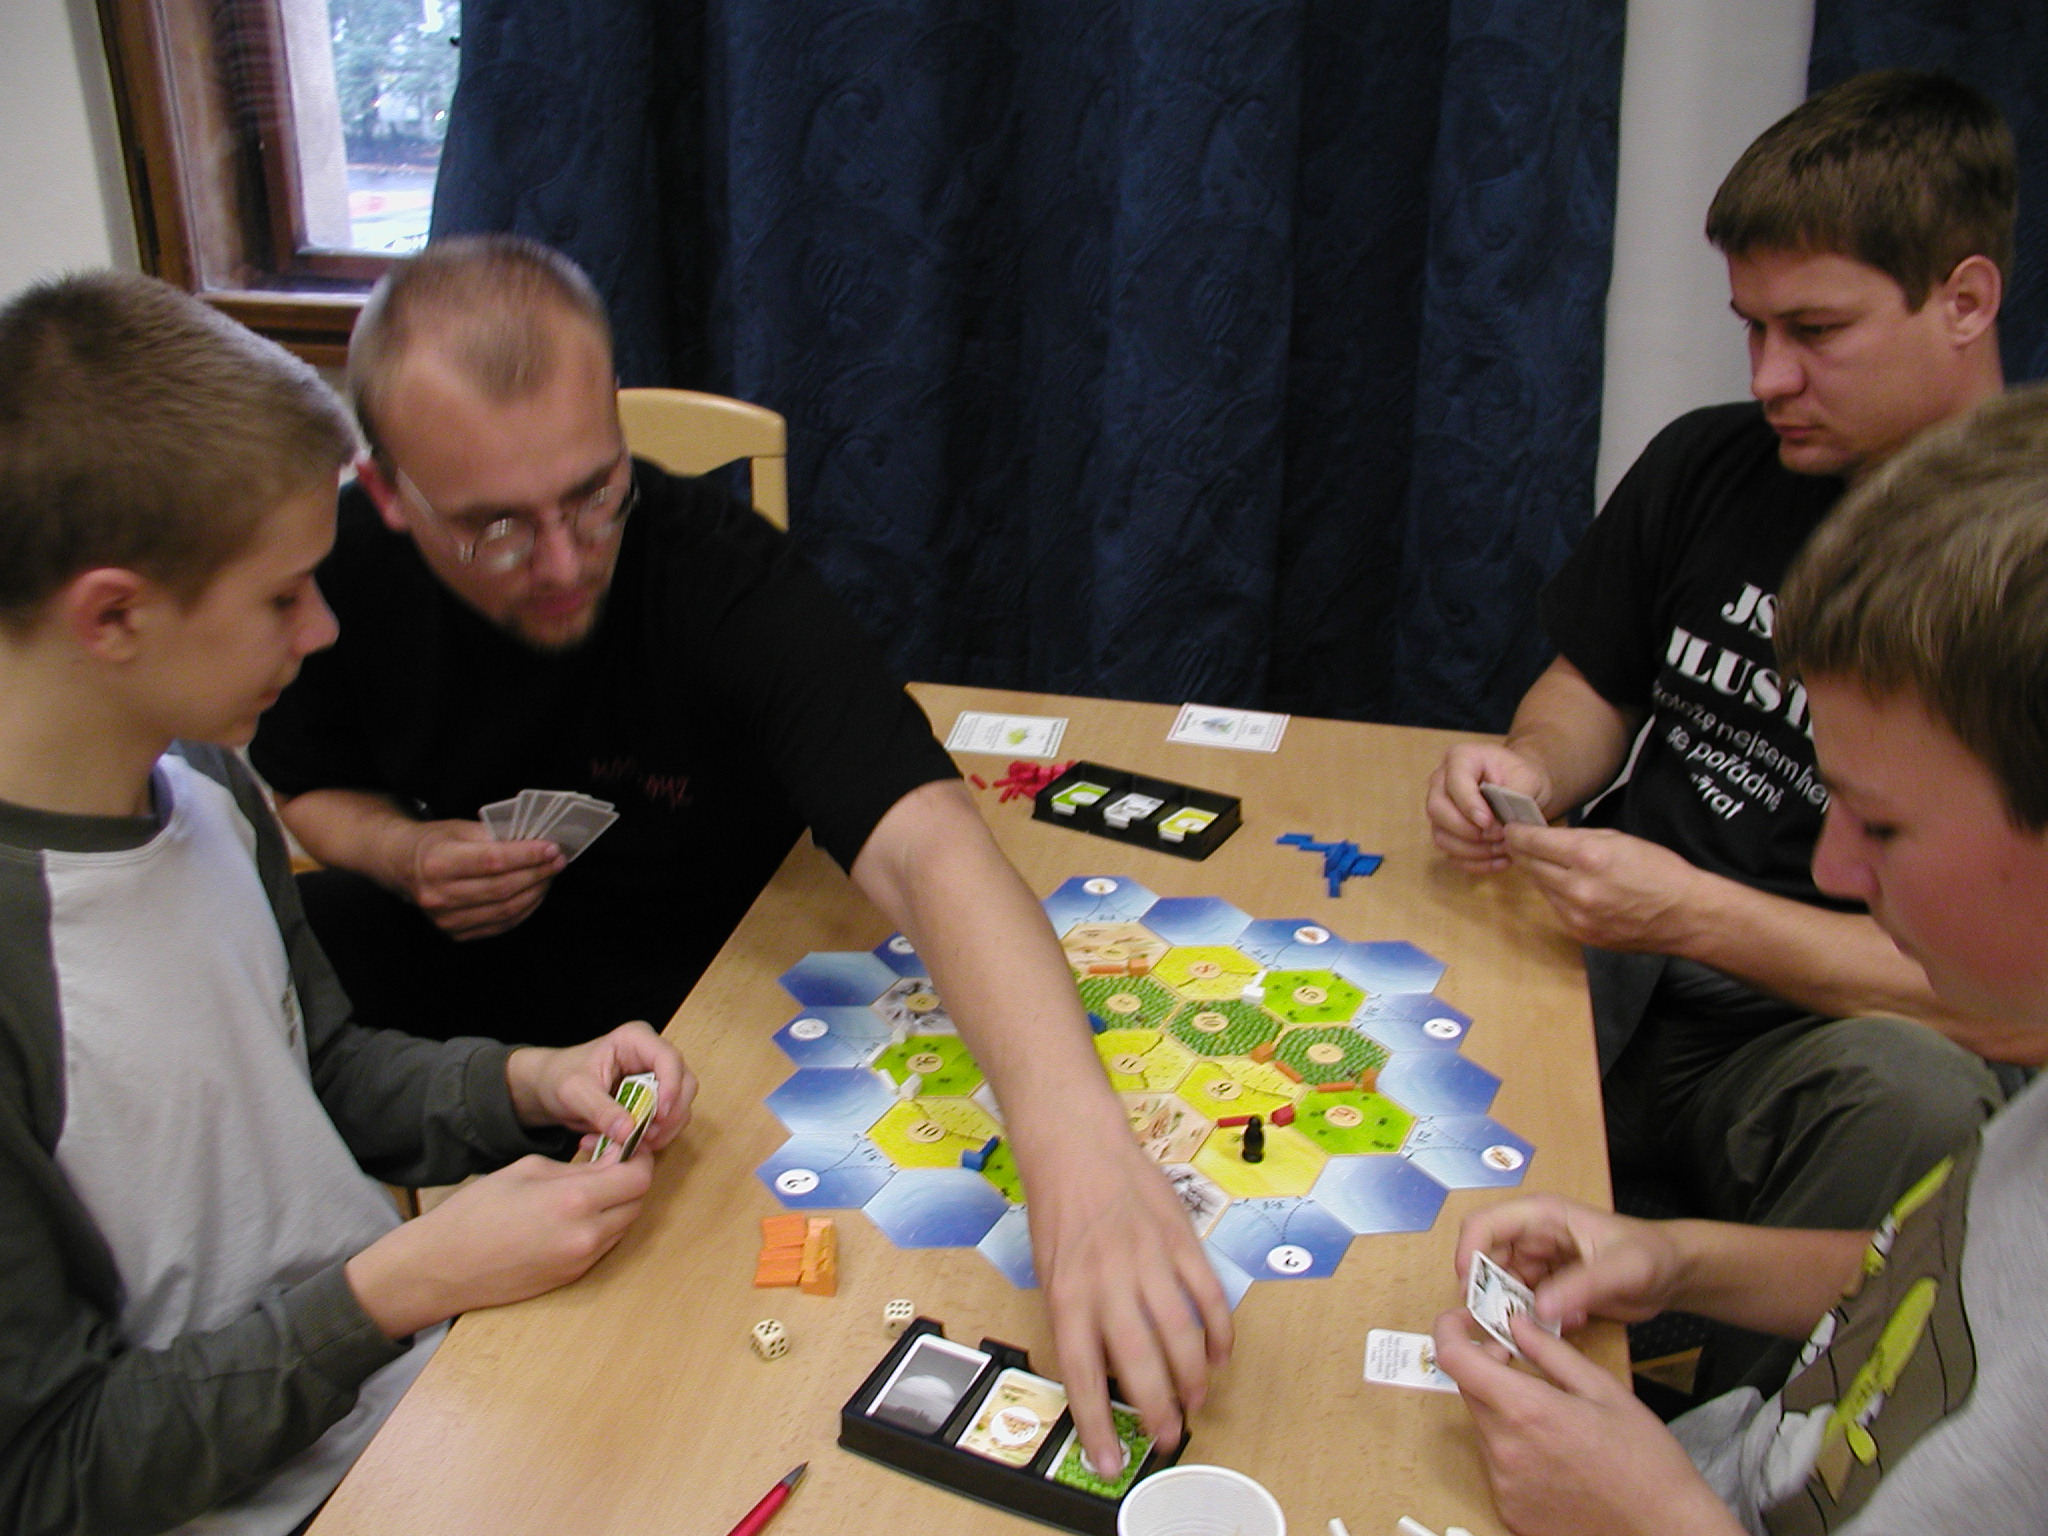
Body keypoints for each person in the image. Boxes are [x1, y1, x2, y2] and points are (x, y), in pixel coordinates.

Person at [245, 235, 1230, 1471]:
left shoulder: (713, 568)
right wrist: (396, 851)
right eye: (496, 528)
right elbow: (303, 784)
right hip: (487, 1004)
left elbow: (926, 842)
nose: (563, 562)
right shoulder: (327, 575)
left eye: (592, 494)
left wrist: (1076, 1147)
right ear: (387, 494)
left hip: (720, 987)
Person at [0, 272, 698, 1535]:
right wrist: (396, 1285)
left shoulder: (203, 783)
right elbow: (48, 1473)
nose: (323, 629)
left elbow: (315, 1068)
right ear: (113, 615)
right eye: (281, 595)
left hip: (410, 1396)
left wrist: (530, 1083)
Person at [1423, 71, 2019, 1393]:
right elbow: (1590, 684)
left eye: (1814, 331)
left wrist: (1693, 913)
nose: (1768, 378)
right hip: (1607, 958)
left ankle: (1743, 1439)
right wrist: (1527, 770)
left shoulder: (2012, 570)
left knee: (1913, 1095)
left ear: (1964, 300)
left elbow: (1998, 997)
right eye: (1749, 327)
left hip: (1806, 1035)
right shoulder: (1712, 462)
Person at [1431, 380, 2048, 1536]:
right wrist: (1672, 1262)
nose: (1831, 866)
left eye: (1883, 826)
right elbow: (1946, 1280)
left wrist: (1651, 1515)